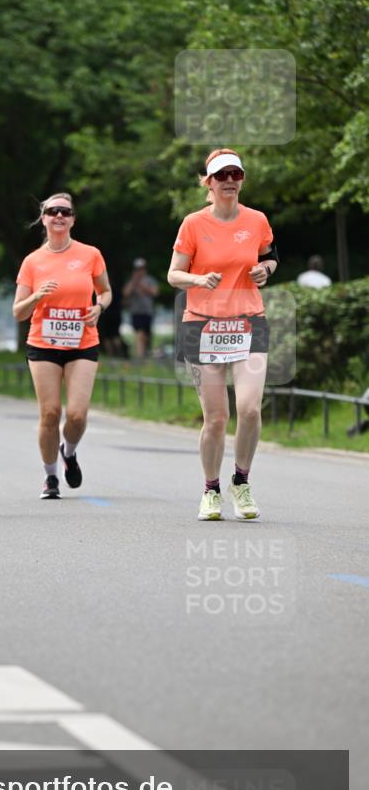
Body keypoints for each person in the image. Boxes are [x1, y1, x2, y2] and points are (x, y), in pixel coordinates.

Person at [168, 148, 278, 521]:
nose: (230, 180)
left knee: (249, 409)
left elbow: (270, 254)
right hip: (202, 325)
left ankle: (241, 481)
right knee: (216, 418)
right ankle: (211, 489)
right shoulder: (193, 224)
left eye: (236, 174)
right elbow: (173, 274)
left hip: (249, 322)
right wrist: (198, 279)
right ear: (209, 183)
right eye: (221, 175)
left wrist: (266, 269)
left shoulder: (257, 219)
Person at [13, 192, 112, 499]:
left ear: (72, 219)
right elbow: (19, 312)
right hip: (43, 343)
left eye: (65, 212)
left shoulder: (90, 254)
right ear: (43, 218)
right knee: (50, 413)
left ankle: (68, 452)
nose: (59, 216)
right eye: (53, 211)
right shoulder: (33, 261)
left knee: (78, 415)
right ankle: (51, 477)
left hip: (82, 341)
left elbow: (105, 291)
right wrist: (37, 295)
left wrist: (99, 307)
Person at [123, 258, 159, 359]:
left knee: (146, 335)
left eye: (141, 269)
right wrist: (134, 282)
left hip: (148, 312)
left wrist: (142, 285)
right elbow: (125, 293)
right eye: (137, 269)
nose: (140, 271)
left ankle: (145, 353)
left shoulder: (150, 280)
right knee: (139, 333)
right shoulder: (131, 281)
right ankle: (140, 356)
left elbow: (155, 293)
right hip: (135, 312)